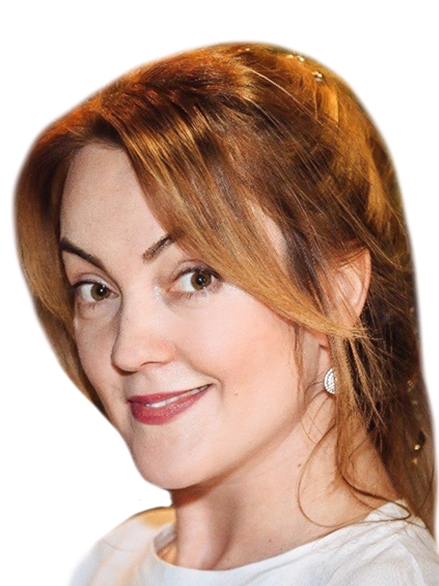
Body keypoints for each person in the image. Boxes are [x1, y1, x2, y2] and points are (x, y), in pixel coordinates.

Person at [15, 42, 439, 584]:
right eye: (96, 289)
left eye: (197, 277)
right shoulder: (114, 557)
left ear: (336, 293)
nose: (128, 349)